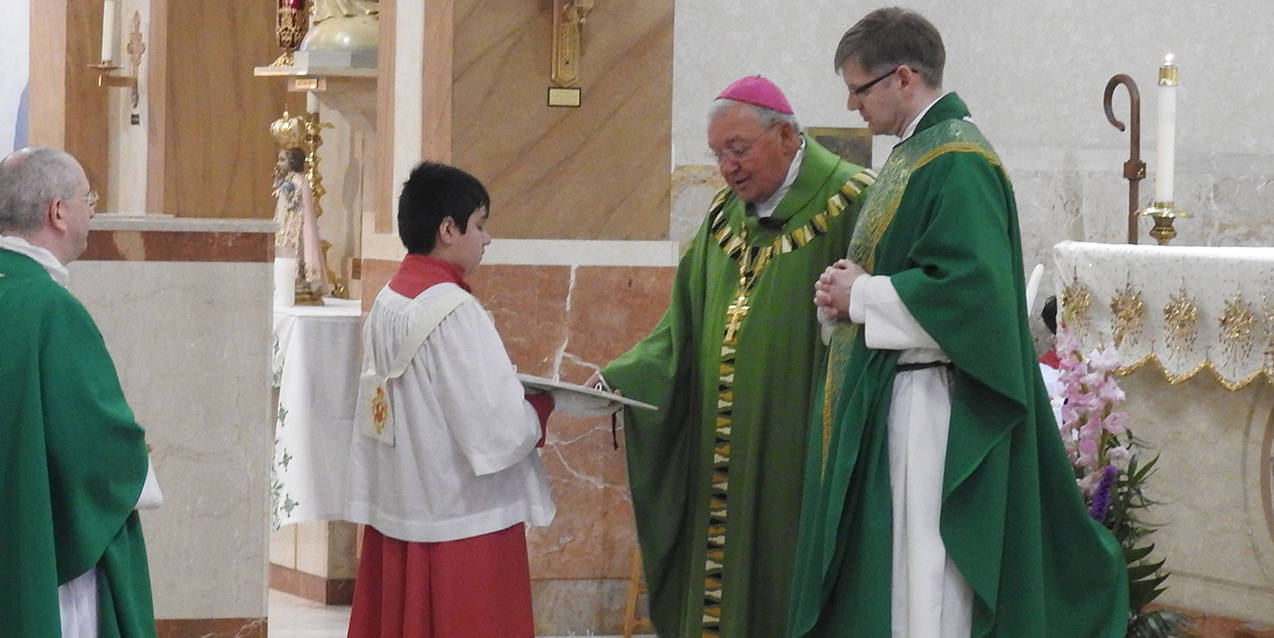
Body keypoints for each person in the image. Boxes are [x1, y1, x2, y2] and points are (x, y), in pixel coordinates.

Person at [791, 8, 1128, 636]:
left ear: (903, 77)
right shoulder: (915, 153)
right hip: (896, 390)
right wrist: (847, 292)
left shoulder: (957, 160)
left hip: (932, 408)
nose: (851, 103)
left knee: (925, 570)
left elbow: (973, 295)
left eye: (859, 88)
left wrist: (863, 297)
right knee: (900, 570)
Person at [592, 76, 875, 637]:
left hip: (799, 448)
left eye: (738, 149)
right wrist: (622, 379)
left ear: (788, 137)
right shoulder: (724, 218)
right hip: (721, 455)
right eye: (718, 153)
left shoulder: (851, 202)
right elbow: (682, 326)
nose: (726, 166)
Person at [343, 161, 556, 637]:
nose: (486, 239)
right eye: (479, 225)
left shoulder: (389, 299)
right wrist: (538, 408)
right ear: (447, 229)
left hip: (405, 502)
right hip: (463, 519)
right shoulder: (454, 310)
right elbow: (495, 427)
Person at [0, 146, 159, 637]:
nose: (93, 210)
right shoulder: (51, 308)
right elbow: (92, 445)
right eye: (87, 198)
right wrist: (134, 458)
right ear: (57, 212)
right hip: (37, 547)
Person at [272, 147, 329, 300]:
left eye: (282, 160)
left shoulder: (298, 180)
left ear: (292, 162)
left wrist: (287, 190)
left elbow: (295, 201)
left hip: (296, 224)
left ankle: (300, 278)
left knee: (297, 250)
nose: (279, 163)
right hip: (285, 223)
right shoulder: (290, 179)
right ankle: (286, 282)